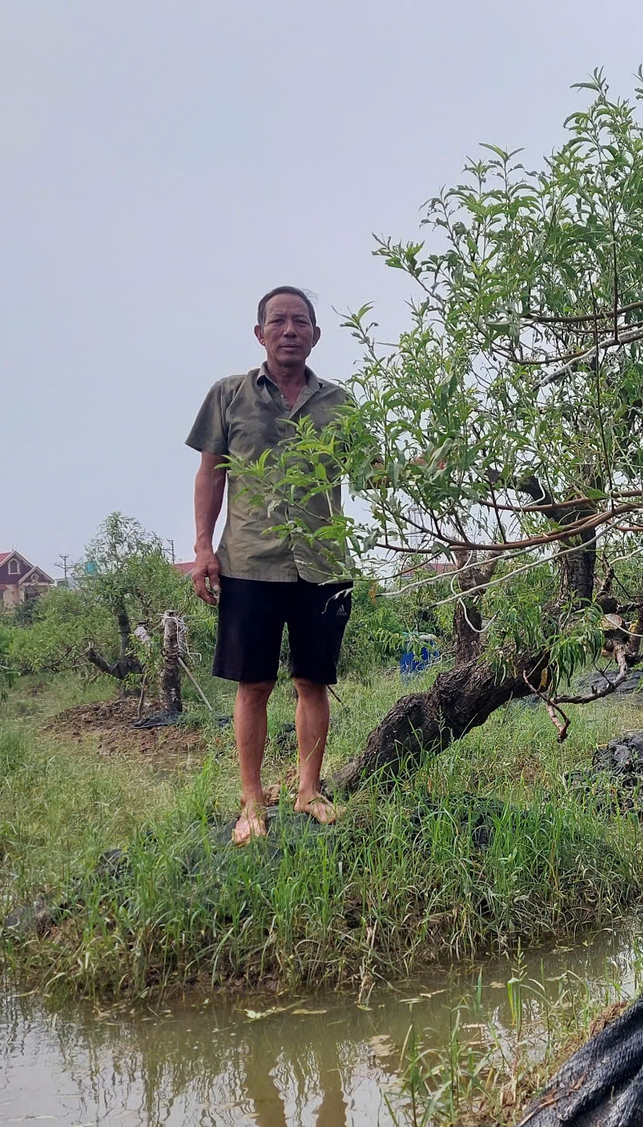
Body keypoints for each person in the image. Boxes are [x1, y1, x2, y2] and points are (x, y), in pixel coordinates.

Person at [187, 286, 354, 844]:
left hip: (324, 566)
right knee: (253, 684)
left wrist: (426, 467)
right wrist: (203, 549)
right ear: (259, 333)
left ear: (316, 335)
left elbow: (373, 471)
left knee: (313, 681)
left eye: (300, 322)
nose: (290, 330)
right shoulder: (228, 395)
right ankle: (252, 801)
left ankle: (308, 791)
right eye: (278, 321)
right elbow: (210, 475)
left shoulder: (339, 403)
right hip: (249, 563)